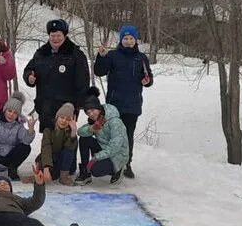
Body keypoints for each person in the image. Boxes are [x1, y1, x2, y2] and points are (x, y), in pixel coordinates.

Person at [93, 24, 154, 178]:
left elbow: (148, 77)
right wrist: (101, 57)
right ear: (121, 40)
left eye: (131, 38)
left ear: (135, 40)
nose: (128, 41)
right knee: (111, 134)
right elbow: (99, 72)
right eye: (125, 38)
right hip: (114, 105)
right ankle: (109, 163)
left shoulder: (141, 58)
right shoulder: (113, 55)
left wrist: (147, 81)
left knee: (127, 135)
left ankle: (127, 164)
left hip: (132, 104)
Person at [23, 18, 90, 131]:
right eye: (52, 35)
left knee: (65, 145)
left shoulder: (75, 54)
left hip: (65, 110)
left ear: (64, 35)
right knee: (47, 145)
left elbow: (83, 83)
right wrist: (29, 77)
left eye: (58, 35)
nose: (55, 39)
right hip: (45, 107)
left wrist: (77, 107)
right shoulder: (41, 54)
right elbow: (29, 69)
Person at [0, 89, 37, 182]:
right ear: (5, 110)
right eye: (9, 111)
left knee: (26, 147)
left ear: (18, 115)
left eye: (15, 113)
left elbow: (26, 141)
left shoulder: (19, 125)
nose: (11, 114)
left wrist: (31, 129)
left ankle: (12, 169)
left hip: (9, 158)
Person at [75, 88, 129, 185]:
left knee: (95, 170)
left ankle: (117, 169)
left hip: (117, 155)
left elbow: (115, 147)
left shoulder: (114, 121)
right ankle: (85, 172)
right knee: (84, 138)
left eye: (92, 110)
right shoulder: (95, 121)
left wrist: (96, 158)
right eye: (88, 113)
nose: (91, 114)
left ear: (99, 108)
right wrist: (92, 129)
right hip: (104, 149)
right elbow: (80, 132)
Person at [40, 102, 78, 185]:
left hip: (66, 164)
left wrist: (73, 132)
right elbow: (46, 148)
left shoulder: (71, 131)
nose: (64, 121)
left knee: (70, 147)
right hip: (51, 159)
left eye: (67, 119)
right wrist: (46, 168)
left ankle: (64, 177)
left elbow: (70, 149)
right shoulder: (49, 129)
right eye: (62, 117)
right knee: (51, 176)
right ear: (57, 117)